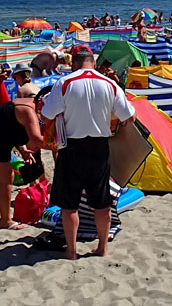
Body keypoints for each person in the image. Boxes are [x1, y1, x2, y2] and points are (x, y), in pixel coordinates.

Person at [40, 50, 136, 259]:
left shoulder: (65, 83)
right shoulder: (109, 84)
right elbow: (129, 116)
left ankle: (72, 251)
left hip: (72, 147)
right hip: (99, 147)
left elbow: (46, 115)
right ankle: (102, 248)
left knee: (69, 204)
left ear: (74, 63)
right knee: (101, 202)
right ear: (93, 62)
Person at [0, 92, 44, 229]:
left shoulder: (29, 105)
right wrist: (59, 146)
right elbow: (36, 139)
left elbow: (14, 128)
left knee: (1, 177)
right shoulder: (28, 110)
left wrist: (23, 151)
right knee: (7, 176)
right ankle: (6, 221)